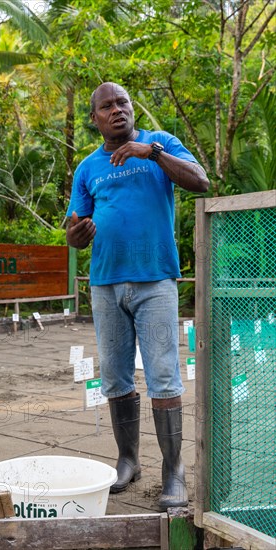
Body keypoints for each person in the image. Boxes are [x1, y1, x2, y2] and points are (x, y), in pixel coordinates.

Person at [66, 82, 209, 510]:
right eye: (106, 106)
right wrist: (76, 235)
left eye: (123, 103)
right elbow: (75, 230)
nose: (117, 110)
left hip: (156, 280)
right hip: (106, 284)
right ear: (95, 118)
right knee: (114, 376)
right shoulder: (88, 167)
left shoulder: (160, 143)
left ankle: (174, 469)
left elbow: (200, 181)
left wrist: (153, 155)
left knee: (164, 375)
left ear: (132, 109)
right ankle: (128, 459)